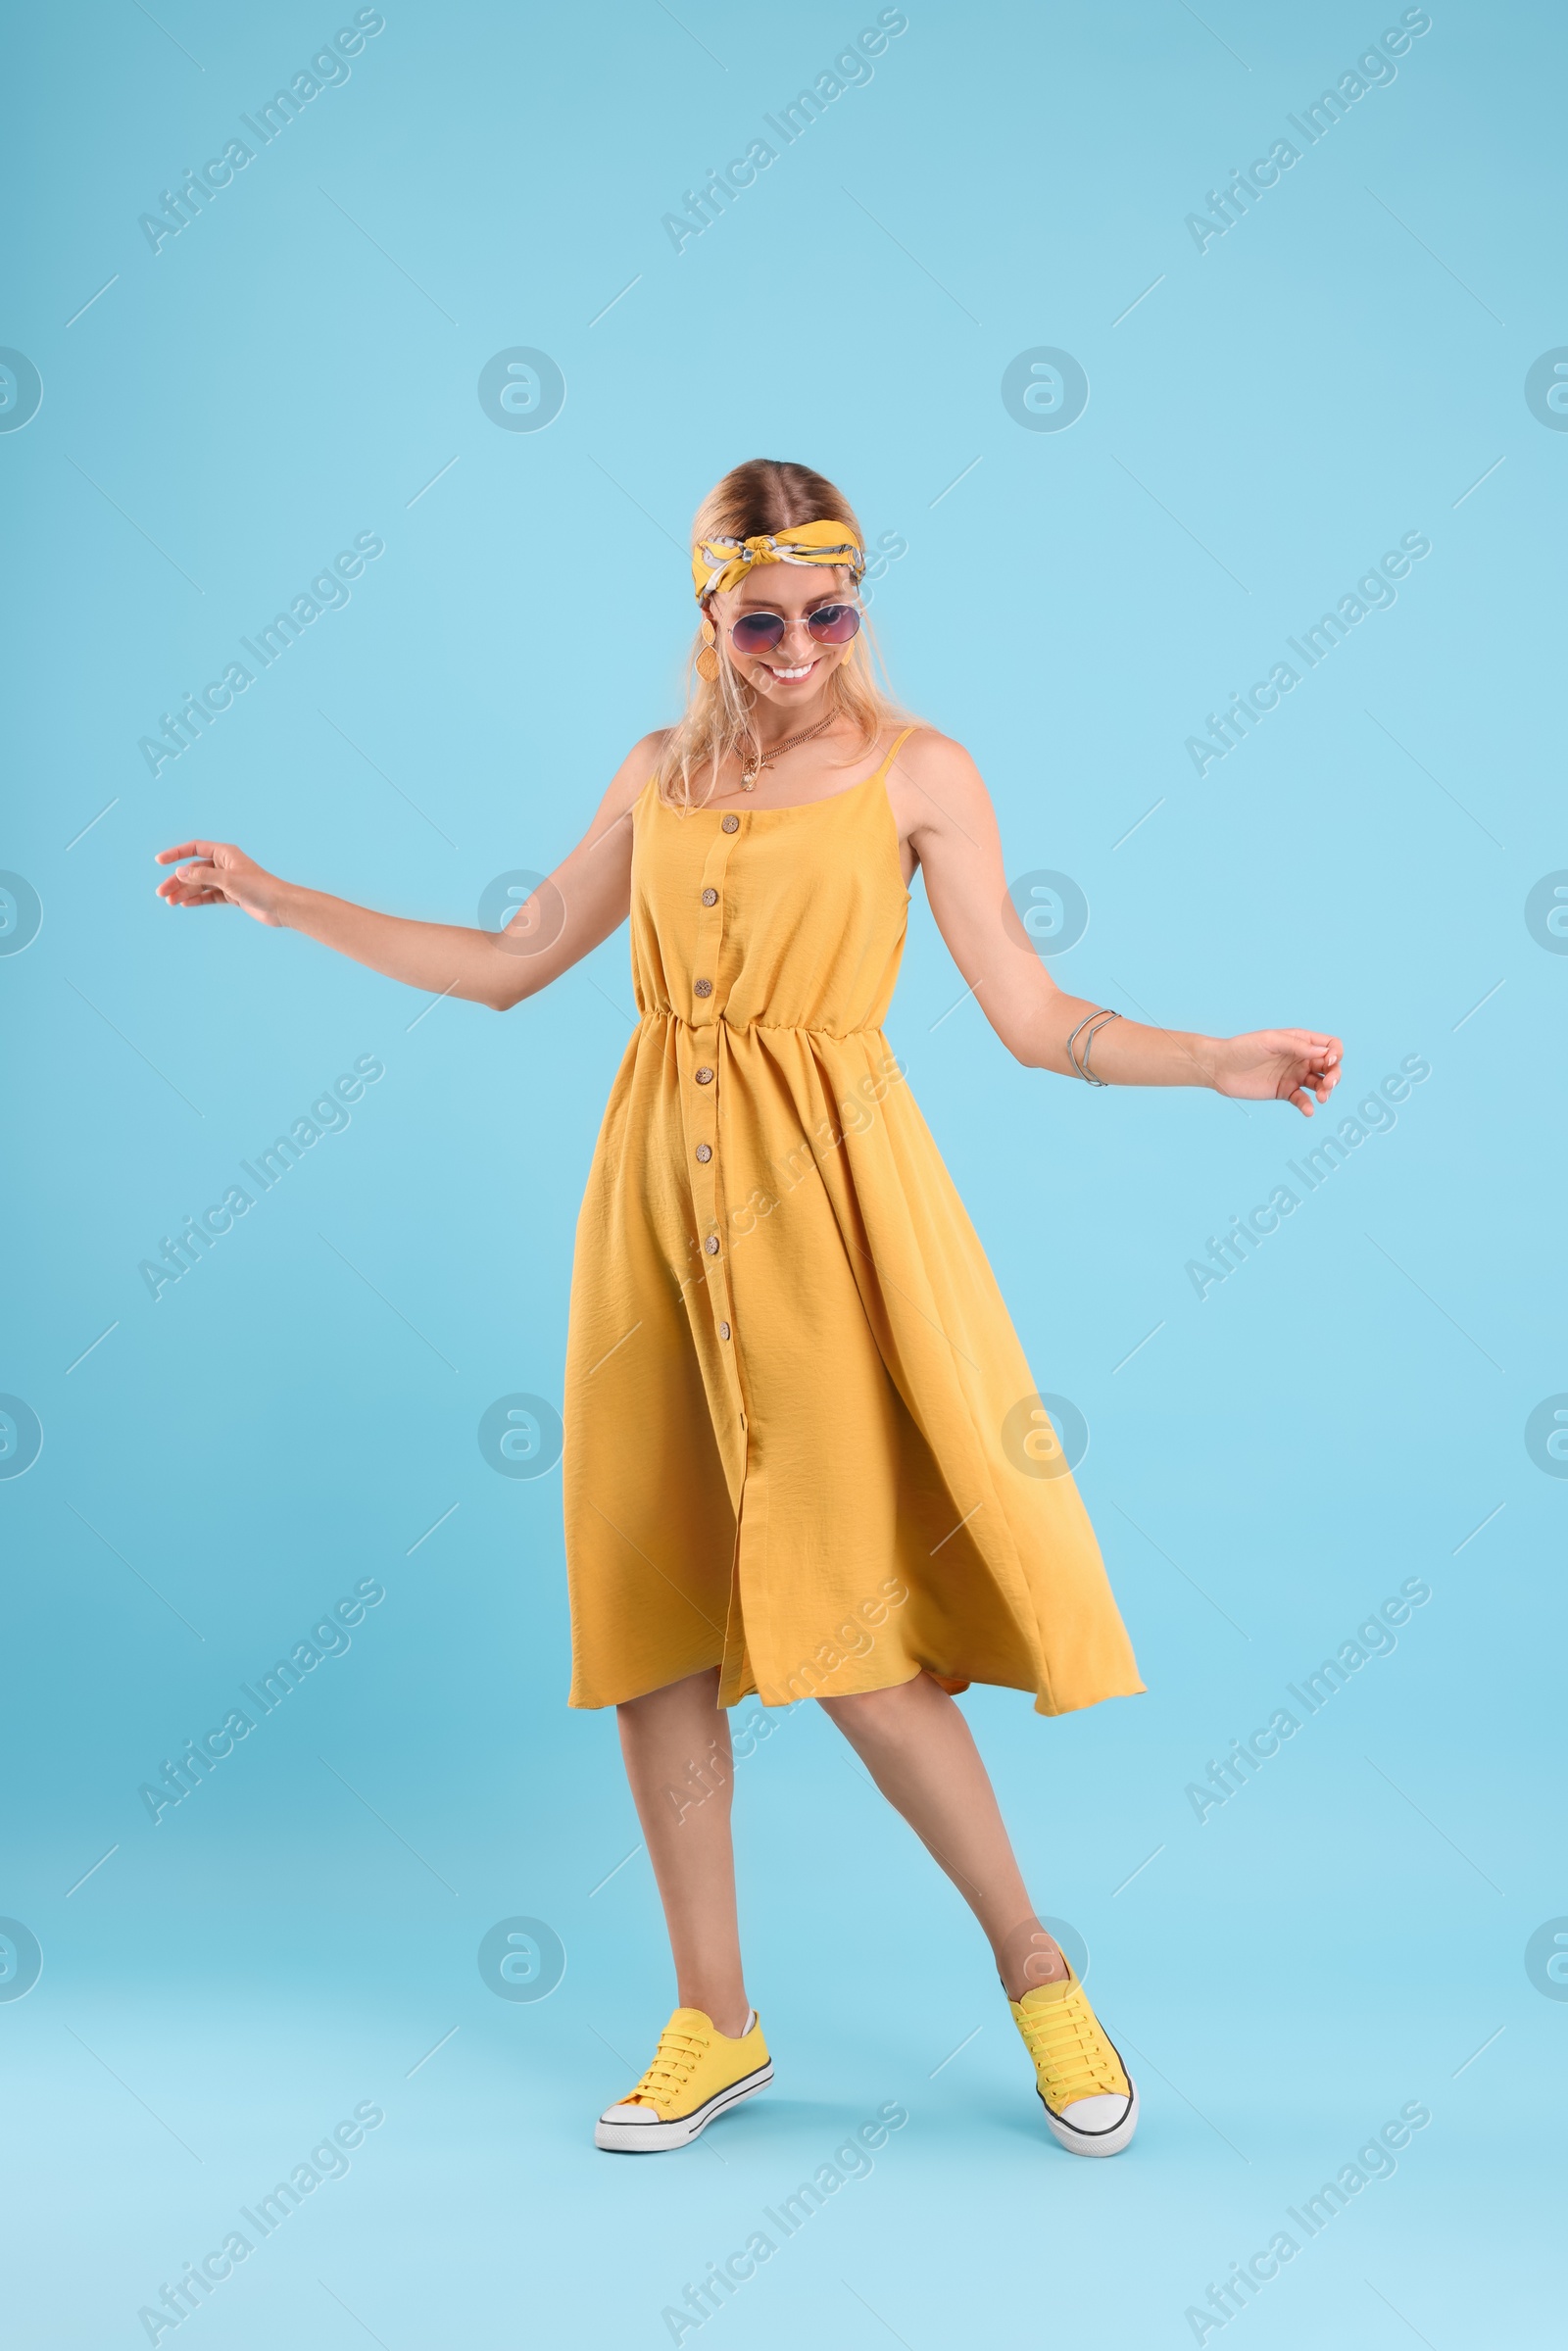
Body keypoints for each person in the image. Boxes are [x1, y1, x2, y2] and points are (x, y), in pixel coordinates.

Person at [156, 457, 1342, 2162]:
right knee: (656, 1622)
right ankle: (715, 2021)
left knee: (853, 1632)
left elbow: (1030, 1012)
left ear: (861, 606)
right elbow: (507, 963)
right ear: (709, 612)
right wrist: (283, 899)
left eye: (829, 610)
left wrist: (1214, 1060)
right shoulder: (661, 773)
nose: (798, 643)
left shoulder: (922, 775)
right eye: (762, 613)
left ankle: (1035, 1968)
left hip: (827, 1227)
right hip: (650, 1215)